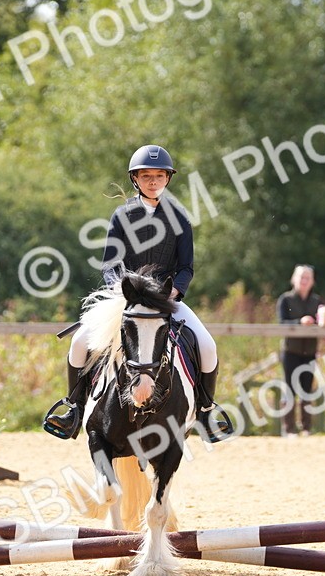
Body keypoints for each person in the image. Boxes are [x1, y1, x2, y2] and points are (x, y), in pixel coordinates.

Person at [44, 145, 232, 442]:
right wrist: (122, 291)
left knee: (207, 346)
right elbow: (110, 263)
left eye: (159, 175)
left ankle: (206, 410)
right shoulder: (122, 216)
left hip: (164, 300)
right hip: (127, 299)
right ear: (135, 179)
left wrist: (174, 293)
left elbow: (186, 267)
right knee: (80, 342)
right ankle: (73, 408)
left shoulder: (179, 217)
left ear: (168, 178)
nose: (153, 181)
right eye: (146, 176)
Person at [276, 264, 325, 436]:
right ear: (294, 279)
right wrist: (300, 322)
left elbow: (324, 321)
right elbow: (282, 324)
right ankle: (289, 429)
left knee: (307, 389)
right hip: (290, 350)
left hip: (309, 351)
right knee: (290, 388)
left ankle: (306, 428)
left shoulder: (317, 301)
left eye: (307, 278)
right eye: (301, 277)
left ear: (312, 281)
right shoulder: (285, 299)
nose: (304, 281)